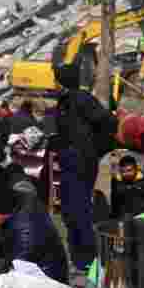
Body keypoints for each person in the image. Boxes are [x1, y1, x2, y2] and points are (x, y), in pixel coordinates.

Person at [46, 61, 119, 270]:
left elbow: (108, 122)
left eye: (56, 79)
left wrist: (93, 148)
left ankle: (87, 260)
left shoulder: (82, 99)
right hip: (70, 161)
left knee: (79, 211)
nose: (54, 84)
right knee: (69, 211)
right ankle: (78, 258)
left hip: (80, 162)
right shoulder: (66, 101)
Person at [0, 164, 69, 283]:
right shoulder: (16, 206)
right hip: (32, 274)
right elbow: (6, 245)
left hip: (45, 283)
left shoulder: (26, 229)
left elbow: (20, 270)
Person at [111, 155, 144, 219]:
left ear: (136, 169)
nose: (126, 174)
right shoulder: (117, 182)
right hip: (125, 218)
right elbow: (115, 204)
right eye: (123, 171)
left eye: (129, 170)